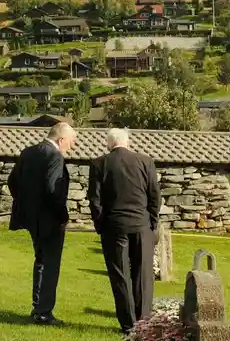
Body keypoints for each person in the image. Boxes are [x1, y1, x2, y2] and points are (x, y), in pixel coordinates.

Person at [88, 128, 161, 334]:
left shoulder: (99, 163)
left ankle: (128, 325)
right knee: (143, 275)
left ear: (109, 144)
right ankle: (144, 321)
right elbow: (154, 196)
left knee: (120, 274)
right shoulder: (146, 162)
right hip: (141, 224)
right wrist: (152, 222)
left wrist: (101, 224)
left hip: (114, 226)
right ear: (128, 142)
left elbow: (95, 200)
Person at [8, 122, 78, 326]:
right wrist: (63, 216)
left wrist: (27, 205)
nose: (71, 148)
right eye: (71, 143)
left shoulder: (28, 152)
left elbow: (12, 181)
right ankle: (44, 312)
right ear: (61, 139)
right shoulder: (54, 156)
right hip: (50, 219)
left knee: (40, 261)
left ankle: (38, 307)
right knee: (50, 265)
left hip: (31, 219)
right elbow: (52, 189)